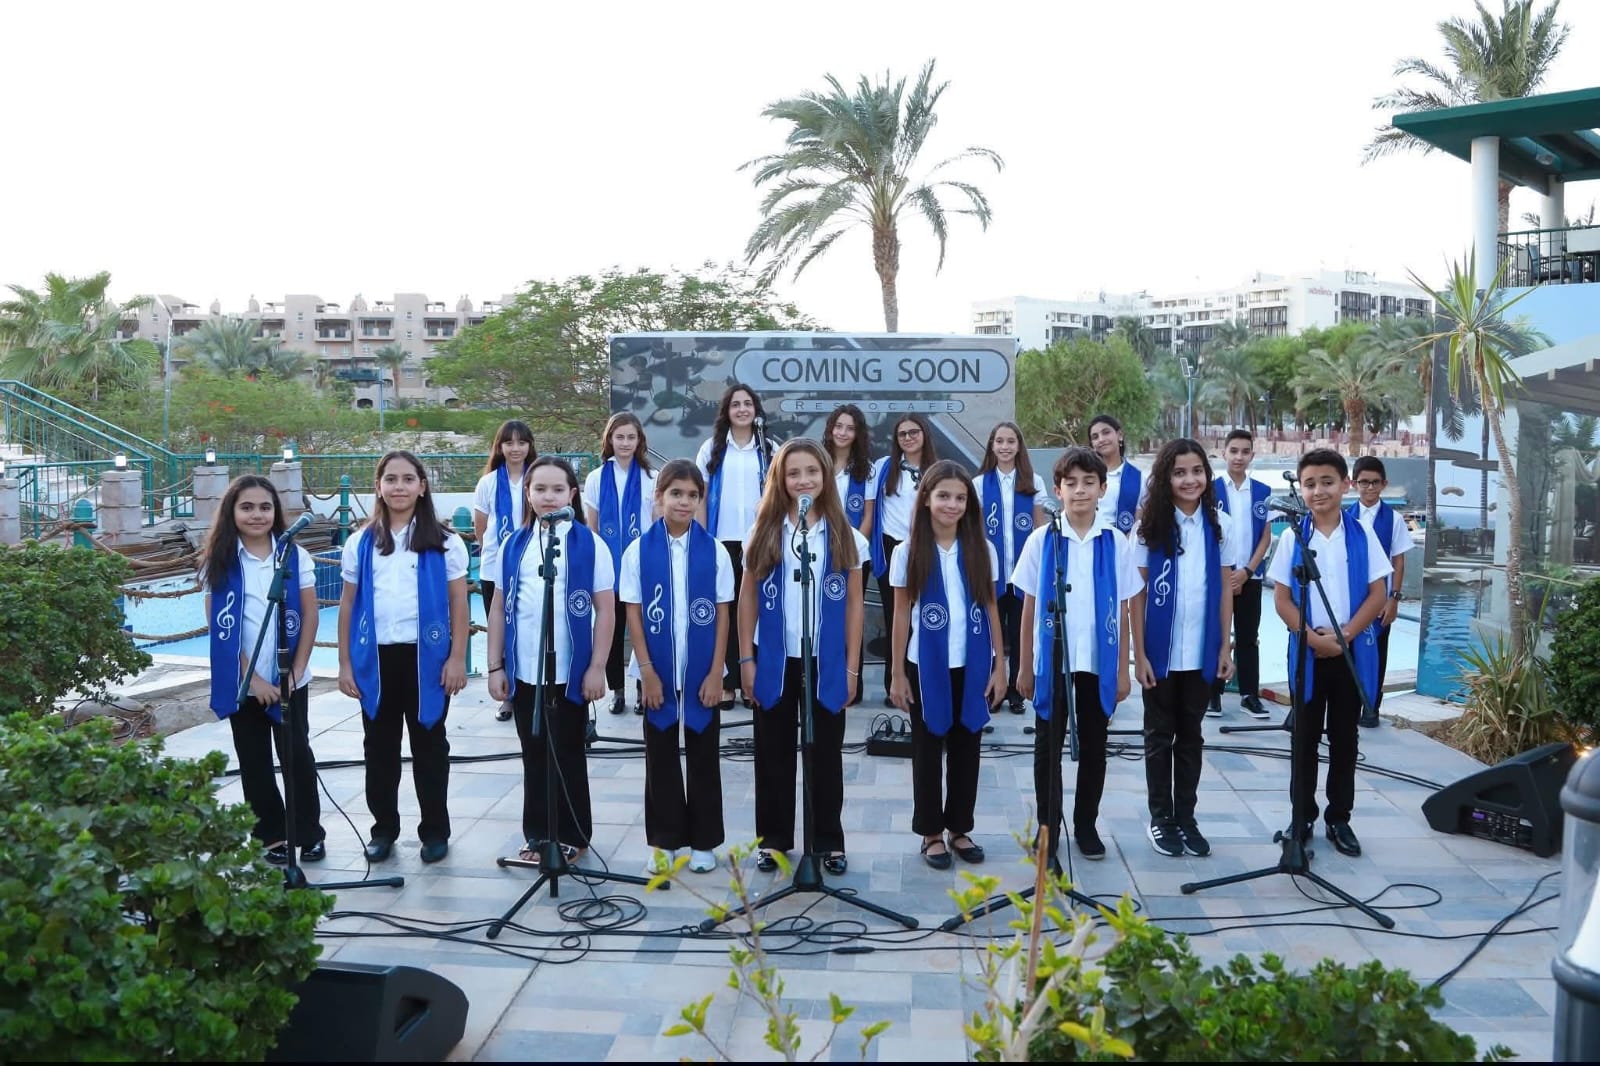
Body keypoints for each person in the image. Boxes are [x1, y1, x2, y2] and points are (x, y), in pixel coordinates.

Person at [738, 439, 866, 877]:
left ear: (826, 476)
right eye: (793, 473)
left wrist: (852, 666)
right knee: (772, 752)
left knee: (825, 752)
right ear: (780, 479)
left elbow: (854, 604)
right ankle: (773, 839)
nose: (803, 480)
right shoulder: (764, 530)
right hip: (776, 658)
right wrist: (746, 660)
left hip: (824, 659)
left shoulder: (844, 534)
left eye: (812, 471)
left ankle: (827, 839)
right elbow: (747, 599)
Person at [338, 451, 470, 864]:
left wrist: (457, 658)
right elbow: (348, 604)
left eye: (408, 479)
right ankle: (383, 830)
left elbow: (459, 603)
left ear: (422, 487)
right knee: (379, 748)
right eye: (391, 479)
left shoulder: (445, 541)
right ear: (378, 486)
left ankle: (435, 831)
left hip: (426, 660)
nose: (399, 487)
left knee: (430, 746)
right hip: (376, 661)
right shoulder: (361, 542)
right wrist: (345, 663)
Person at [487, 455, 616, 865]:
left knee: (567, 752)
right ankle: (540, 834)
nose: (548, 497)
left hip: (570, 670)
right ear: (527, 494)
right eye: (539, 489)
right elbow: (499, 607)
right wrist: (495, 665)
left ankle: (573, 834)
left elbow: (606, 610)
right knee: (534, 750)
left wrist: (597, 666)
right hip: (526, 670)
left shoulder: (590, 544)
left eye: (558, 489)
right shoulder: (514, 545)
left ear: (572, 494)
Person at [1013, 448, 1140, 863]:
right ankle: (1048, 828)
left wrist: (1123, 670)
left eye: (1089, 482)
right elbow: (1029, 606)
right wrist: (1024, 666)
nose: (1080, 490)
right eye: (1071, 483)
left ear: (1103, 489)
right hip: (1053, 662)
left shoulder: (1115, 542)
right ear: (1058, 490)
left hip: (1097, 663)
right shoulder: (1042, 539)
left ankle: (1086, 825)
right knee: (1047, 747)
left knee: (1095, 745)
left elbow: (1123, 608)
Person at [1267, 449, 1390, 858]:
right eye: (1310, 484)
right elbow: (1282, 600)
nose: (1318, 491)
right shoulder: (1293, 537)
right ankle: (1301, 815)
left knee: (1344, 738)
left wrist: (1346, 635)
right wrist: (1313, 640)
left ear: (1345, 485)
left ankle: (1339, 818)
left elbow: (1378, 592)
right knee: (1303, 739)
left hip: (1350, 652)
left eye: (1327, 482)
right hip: (1308, 653)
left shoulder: (1362, 534)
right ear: (1301, 490)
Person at [201, 474, 325, 866]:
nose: (257, 515)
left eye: (265, 507)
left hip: (290, 679)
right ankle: (270, 837)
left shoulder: (292, 555)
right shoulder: (219, 560)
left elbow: (310, 614)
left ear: (276, 511)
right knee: (254, 761)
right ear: (231, 512)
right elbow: (220, 630)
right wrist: (252, 679)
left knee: (297, 756)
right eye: (247, 507)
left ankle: (308, 833)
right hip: (243, 683)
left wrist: (295, 671)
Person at [618, 460, 734, 875]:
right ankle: (664, 841)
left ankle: (704, 841)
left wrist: (717, 671)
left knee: (704, 753)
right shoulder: (638, 551)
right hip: (656, 670)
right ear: (659, 496)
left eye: (692, 495)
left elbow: (723, 614)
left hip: (703, 669)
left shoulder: (715, 550)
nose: (684, 502)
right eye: (676, 493)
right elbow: (633, 613)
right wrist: (646, 670)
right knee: (660, 755)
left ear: (701, 500)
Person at [889, 461, 1006, 869]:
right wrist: (897, 672)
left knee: (966, 748)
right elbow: (901, 614)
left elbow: (991, 607)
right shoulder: (907, 551)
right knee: (926, 750)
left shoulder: (982, 549)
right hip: (926, 665)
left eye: (960, 498)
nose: (952, 505)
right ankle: (930, 832)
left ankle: (959, 827)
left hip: (972, 663)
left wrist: (1000, 664)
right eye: (943, 496)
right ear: (926, 499)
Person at [1130, 439, 1234, 859]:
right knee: (1159, 736)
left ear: (1207, 475)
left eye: (1197, 471)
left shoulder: (1220, 525)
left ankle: (1186, 817)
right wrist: (1140, 654)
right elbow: (1137, 595)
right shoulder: (1148, 527)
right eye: (1179, 473)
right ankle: (1161, 817)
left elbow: (1224, 590)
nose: (1190, 480)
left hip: (1200, 652)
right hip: (1161, 653)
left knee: (1192, 736)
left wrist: (1225, 646)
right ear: (1165, 478)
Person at [696, 384, 774, 708]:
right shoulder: (711, 448)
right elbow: (700, 497)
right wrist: (702, 539)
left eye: (748, 404)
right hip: (722, 540)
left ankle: (751, 681)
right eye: (736, 405)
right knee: (725, 609)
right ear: (726, 411)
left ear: (756, 410)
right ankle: (727, 681)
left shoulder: (769, 448)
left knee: (757, 610)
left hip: (760, 542)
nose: (742, 409)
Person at [584, 413, 658, 716]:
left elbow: (656, 524)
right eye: (620, 437)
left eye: (631, 437)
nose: (625, 443)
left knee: (644, 630)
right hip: (609, 568)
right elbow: (592, 527)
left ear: (639, 440)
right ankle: (617, 691)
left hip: (642, 566)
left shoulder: (652, 478)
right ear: (609, 440)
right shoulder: (596, 478)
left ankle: (643, 688)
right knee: (612, 631)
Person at [975, 420, 1046, 714]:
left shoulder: (1033, 481)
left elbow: (1040, 526)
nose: (1005, 447)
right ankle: (994, 690)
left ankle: (1017, 692)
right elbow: (977, 528)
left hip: (1022, 571)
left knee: (1020, 633)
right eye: (1000, 441)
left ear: (1019, 446)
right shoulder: (980, 483)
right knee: (992, 634)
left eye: (1010, 441)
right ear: (992, 446)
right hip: (992, 572)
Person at [871, 414, 938, 706]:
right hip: (891, 547)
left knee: (926, 614)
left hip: (926, 547)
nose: (908, 438)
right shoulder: (884, 467)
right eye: (902, 434)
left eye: (914, 432)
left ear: (924, 435)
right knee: (895, 616)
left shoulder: (936, 469)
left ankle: (924, 680)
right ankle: (895, 684)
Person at [473, 420, 535, 722]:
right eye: (509, 442)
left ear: (529, 446)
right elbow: (481, 528)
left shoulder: (536, 478)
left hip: (531, 567)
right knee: (500, 631)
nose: (515, 448)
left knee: (526, 629)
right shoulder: (488, 483)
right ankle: (507, 696)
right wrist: (500, 557)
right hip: (494, 570)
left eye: (521, 442)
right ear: (499, 447)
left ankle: (529, 690)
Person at [1210, 429, 1274, 720]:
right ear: (1224, 452)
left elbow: (1265, 536)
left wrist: (1247, 571)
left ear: (1252, 455)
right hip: (1219, 576)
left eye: (1245, 451)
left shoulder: (1262, 492)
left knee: (1248, 636)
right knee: (1216, 633)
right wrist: (1226, 575)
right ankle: (1213, 693)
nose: (1239, 457)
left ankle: (1249, 695)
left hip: (1251, 577)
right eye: (1233, 451)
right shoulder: (1210, 490)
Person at [1347, 456, 1415, 727]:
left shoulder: (1394, 519)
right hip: (1351, 600)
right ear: (1353, 484)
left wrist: (1393, 599)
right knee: (1348, 652)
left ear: (1384, 484)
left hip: (1381, 602)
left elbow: (1399, 561)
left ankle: (1371, 707)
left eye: (1375, 482)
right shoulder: (1345, 517)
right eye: (1364, 482)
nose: (1370, 488)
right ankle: (1347, 704)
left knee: (1377, 653)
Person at [826, 402, 876, 703]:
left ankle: (852, 676)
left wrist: (853, 547)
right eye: (839, 426)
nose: (843, 433)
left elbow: (868, 515)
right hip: (820, 550)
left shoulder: (866, 470)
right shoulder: (818, 462)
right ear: (831, 429)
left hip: (854, 552)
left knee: (852, 614)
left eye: (850, 428)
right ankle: (828, 675)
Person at [1088, 413, 1145, 535]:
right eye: (1095, 437)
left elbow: (1139, 521)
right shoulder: (1085, 475)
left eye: (1106, 432)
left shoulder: (1139, 478)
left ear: (1120, 435)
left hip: (1124, 539)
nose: (1101, 439)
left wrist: (1123, 543)